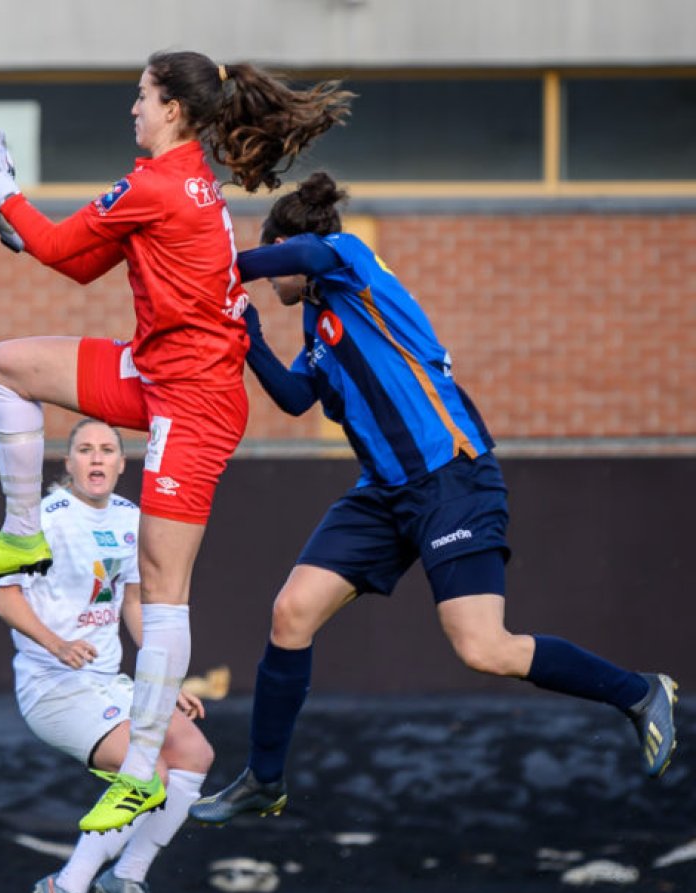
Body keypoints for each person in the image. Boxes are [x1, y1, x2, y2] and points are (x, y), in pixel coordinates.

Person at [0, 51, 351, 832]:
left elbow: (60, 249)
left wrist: (1, 185)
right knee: (9, 366)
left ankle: (139, 767)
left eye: (141, 95)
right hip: (156, 370)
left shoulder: (160, 182)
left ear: (172, 109)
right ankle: (24, 538)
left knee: (162, 587)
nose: (133, 106)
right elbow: (82, 261)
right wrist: (4, 216)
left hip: (194, 402)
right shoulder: (172, 178)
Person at [188, 172, 680, 826]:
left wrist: (223, 266)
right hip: (383, 494)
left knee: (483, 648)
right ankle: (265, 779)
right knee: (291, 613)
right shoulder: (317, 324)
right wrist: (243, 322)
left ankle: (641, 693)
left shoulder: (347, 260)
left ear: (285, 246)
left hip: (453, 479)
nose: (271, 277)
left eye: (269, 259)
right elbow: (293, 396)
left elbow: (304, 257)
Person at [0, 420, 214, 893]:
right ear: (68, 462)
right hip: (53, 687)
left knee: (196, 753)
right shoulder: (39, 518)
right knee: (148, 774)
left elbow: (132, 604)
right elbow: (5, 600)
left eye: (107, 450)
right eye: (86, 450)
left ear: (121, 464)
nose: (96, 458)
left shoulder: (130, 518)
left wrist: (166, 682)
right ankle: (66, 887)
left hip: (108, 681)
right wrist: (57, 644)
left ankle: (124, 877)